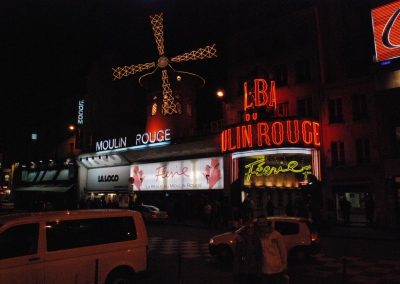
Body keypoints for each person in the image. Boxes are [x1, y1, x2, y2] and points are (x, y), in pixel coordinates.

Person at [257, 218, 288, 284]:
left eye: (263, 222)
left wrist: (284, 265)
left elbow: (283, 250)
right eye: (260, 223)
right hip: (264, 269)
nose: (262, 225)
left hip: (276, 269)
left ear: (267, 223)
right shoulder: (257, 236)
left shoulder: (276, 234)